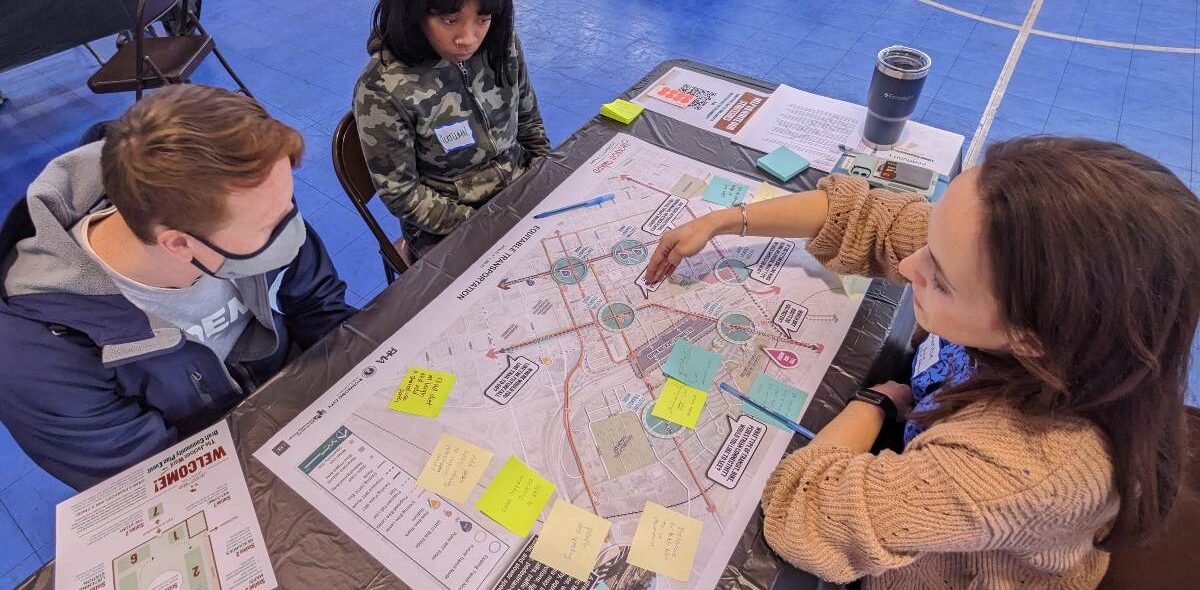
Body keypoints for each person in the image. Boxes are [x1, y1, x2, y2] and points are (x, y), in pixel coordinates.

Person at [645, 137, 1200, 589]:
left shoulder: (1028, 468)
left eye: (940, 277)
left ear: (1030, 338)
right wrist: (725, 220)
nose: (910, 263)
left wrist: (875, 405)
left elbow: (807, 515)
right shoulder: (1040, 293)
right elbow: (862, 215)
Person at [0, 85, 355, 489]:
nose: (293, 229)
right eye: (267, 227)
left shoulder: (237, 207)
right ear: (179, 244)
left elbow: (322, 310)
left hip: (292, 404)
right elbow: (153, 482)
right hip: (212, 471)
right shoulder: (37, 356)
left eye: (289, 203)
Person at [354, 0, 550, 255]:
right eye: (450, 20)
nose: (468, 39)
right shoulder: (381, 89)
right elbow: (402, 194)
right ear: (414, 14)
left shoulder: (502, 44)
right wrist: (483, 225)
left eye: (483, 19)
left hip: (519, 187)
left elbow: (529, 123)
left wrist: (546, 175)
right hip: (446, 223)